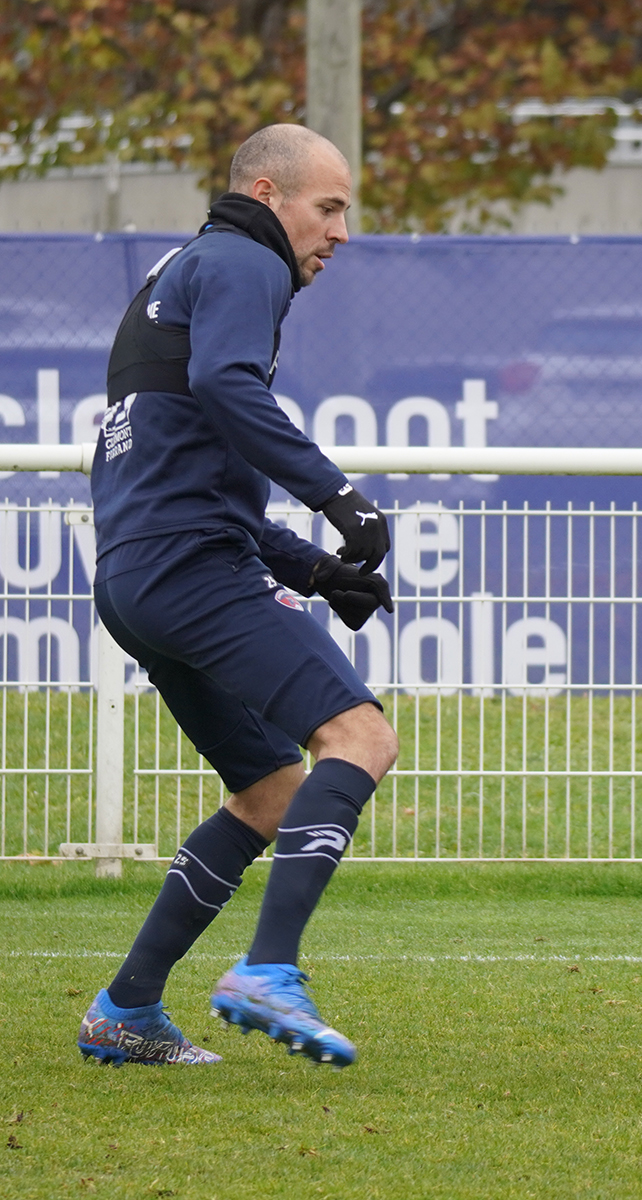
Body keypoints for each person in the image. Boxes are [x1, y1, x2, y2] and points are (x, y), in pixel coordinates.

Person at [76, 125, 400, 1069]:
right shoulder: (247, 264)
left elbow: (185, 469)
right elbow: (225, 388)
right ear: (268, 195)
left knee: (270, 794)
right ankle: (268, 971)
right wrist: (336, 494)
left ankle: (126, 1007)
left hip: (135, 574)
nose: (340, 231)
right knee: (360, 738)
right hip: (188, 570)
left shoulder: (178, 277)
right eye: (328, 208)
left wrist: (314, 569)